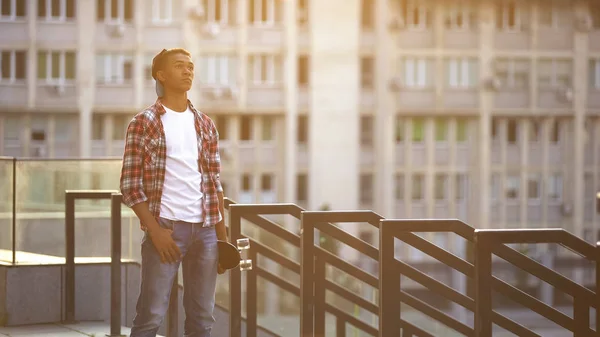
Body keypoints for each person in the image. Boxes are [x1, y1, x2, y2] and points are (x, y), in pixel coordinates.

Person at [120, 48, 228, 337]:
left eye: (191, 66)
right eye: (180, 66)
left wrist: (222, 240)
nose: (188, 71)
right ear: (161, 75)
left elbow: (214, 184)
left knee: (202, 318)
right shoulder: (144, 122)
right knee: (150, 317)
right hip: (166, 229)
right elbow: (130, 185)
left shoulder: (205, 125)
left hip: (205, 233)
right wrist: (155, 231)